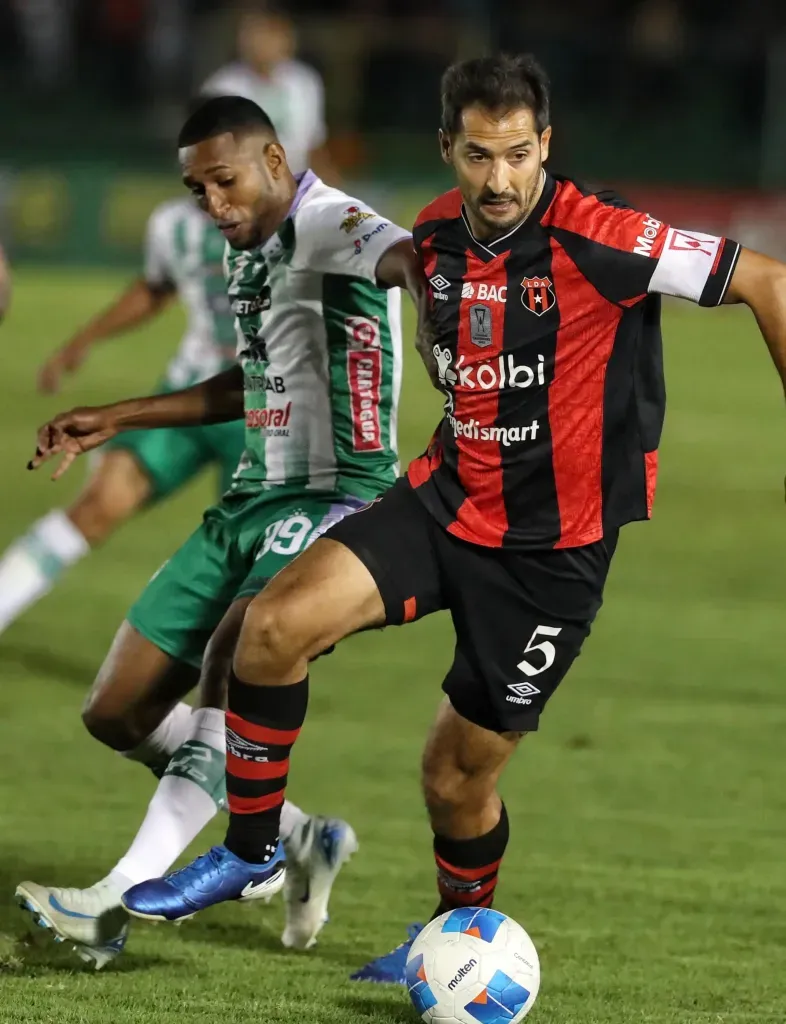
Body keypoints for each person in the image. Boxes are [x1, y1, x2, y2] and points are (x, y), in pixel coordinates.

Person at [90, 53, 786, 983]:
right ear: (446, 149)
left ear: (546, 146)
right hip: (440, 502)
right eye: (476, 155)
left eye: (516, 155)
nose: (498, 179)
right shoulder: (432, 237)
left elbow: (770, 284)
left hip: (551, 555)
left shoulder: (603, 235)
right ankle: (254, 846)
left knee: (455, 780)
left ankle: (455, 940)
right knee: (270, 626)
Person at [17, 95, 425, 969]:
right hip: (249, 496)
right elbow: (249, 380)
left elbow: (405, 255)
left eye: (225, 181)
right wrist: (121, 416)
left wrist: (439, 299)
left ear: (275, 161)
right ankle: (294, 833)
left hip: (336, 497)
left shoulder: (328, 221)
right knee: (117, 711)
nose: (213, 205)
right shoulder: (248, 253)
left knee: (234, 665)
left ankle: (114, 904)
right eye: (197, 190)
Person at [0, 199, 244, 636]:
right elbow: (156, 287)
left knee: (248, 562)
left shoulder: (294, 219)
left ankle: (228, 693)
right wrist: (83, 340)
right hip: (187, 395)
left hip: (267, 413)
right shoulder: (173, 224)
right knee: (97, 504)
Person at [200, 3, 337, 182]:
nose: (263, 44)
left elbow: (313, 144)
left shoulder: (304, 82)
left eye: (272, 36)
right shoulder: (222, 87)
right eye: (255, 36)